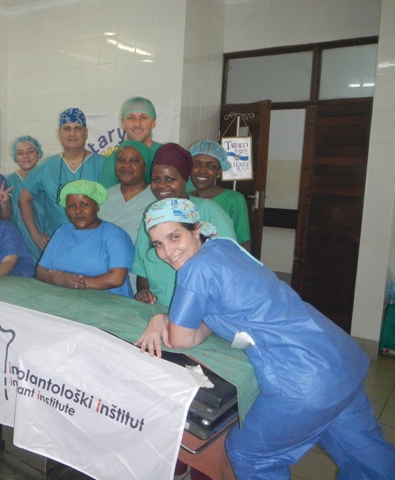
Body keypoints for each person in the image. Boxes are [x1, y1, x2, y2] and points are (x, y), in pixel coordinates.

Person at [135, 198, 395, 480]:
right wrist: (182, 321)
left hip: (305, 379)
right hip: (340, 358)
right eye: (158, 244)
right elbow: (217, 316)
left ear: (195, 229)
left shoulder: (195, 269)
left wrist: (160, 319)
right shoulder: (223, 247)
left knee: (249, 454)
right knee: (366, 456)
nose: (167, 251)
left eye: (174, 237)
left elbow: (181, 339)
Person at [132, 142, 236, 307]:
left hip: (201, 311)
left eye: (170, 179)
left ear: (184, 179)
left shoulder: (208, 211)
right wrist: (144, 292)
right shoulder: (151, 216)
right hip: (157, 309)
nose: (162, 185)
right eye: (156, 180)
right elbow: (142, 267)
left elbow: (230, 265)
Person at [19, 108, 105, 251]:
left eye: (77, 128)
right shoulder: (47, 166)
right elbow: (24, 199)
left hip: (95, 243)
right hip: (58, 245)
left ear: (86, 133)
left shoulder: (103, 164)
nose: (72, 133)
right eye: (67, 128)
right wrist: (35, 234)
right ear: (59, 134)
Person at [36, 180, 133, 298]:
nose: (78, 211)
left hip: (110, 303)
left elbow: (116, 279)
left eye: (84, 204)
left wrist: (76, 283)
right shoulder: (62, 232)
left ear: (97, 206)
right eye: (71, 206)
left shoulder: (114, 235)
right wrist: (60, 279)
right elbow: (40, 271)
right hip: (67, 301)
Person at [189, 140, 251, 251]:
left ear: (219, 172)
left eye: (211, 166)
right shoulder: (186, 199)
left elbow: (243, 243)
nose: (202, 171)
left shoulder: (233, 200)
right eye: (196, 165)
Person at [97, 96, 162, 188]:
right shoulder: (113, 160)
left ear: (153, 123)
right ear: (123, 124)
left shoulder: (164, 154)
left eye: (144, 118)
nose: (137, 124)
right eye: (131, 118)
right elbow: (105, 195)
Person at [5, 135, 45, 264]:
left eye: (30, 152)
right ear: (15, 157)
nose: (25, 156)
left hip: (43, 237)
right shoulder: (8, 182)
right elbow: (5, 216)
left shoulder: (46, 179)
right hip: (18, 239)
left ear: (38, 154)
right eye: (20, 153)